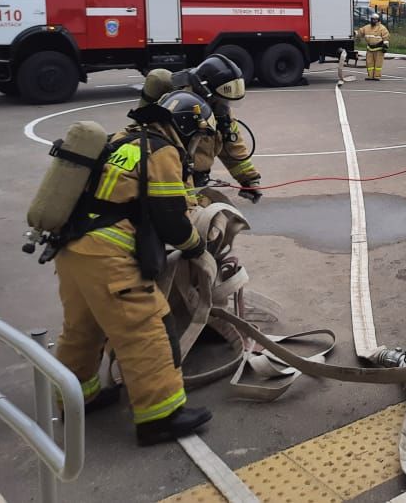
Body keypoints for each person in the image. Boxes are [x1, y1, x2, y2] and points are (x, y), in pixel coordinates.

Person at [53, 91, 215, 445]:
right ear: (187, 127)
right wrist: (196, 247)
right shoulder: (162, 151)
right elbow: (171, 217)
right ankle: (160, 416)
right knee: (148, 328)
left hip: (70, 250)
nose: (197, 143)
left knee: (82, 330)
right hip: (110, 257)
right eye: (199, 136)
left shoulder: (118, 141)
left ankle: (78, 398)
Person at [138, 55, 262, 202]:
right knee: (216, 219)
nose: (225, 105)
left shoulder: (219, 110)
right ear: (205, 90)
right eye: (221, 100)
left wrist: (249, 179)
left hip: (197, 181)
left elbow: (232, 147)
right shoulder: (179, 112)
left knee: (227, 216)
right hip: (174, 183)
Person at [356, 12, 390, 81]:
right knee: (369, 63)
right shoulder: (367, 27)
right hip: (370, 48)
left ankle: (377, 76)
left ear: (378, 20)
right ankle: (370, 76)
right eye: (372, 19)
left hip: (379, 49)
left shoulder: (382, 28)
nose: (373, 21)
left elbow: (386, 37)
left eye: (375, 19)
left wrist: (385, 46)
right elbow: (360, 32)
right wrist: (354, 33)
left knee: (378, 64)